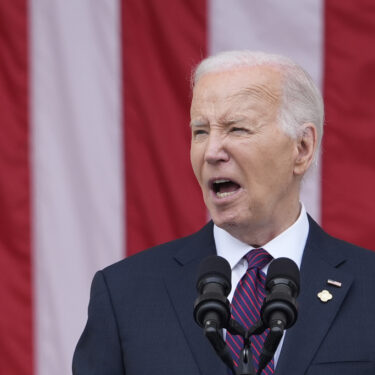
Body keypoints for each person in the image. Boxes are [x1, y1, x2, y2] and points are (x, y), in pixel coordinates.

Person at [72, 50, 375, 375]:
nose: (212, 151)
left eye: (237, 129)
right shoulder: (124, 295)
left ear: (301, 148)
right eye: (200, 132)